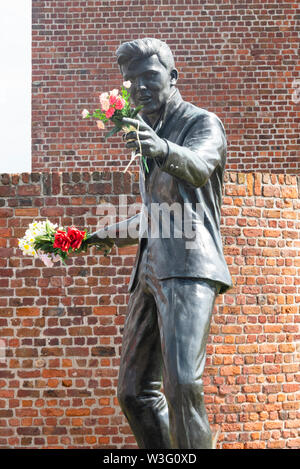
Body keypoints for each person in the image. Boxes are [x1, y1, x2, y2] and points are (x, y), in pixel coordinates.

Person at [87, 38, 232, 449]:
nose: (139, 88)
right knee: (133, 392)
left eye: (149, 76)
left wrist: (162, 148)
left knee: (183, 383)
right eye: (131, 81)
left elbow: (201, 166)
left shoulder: (202, 123)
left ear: (173, 77)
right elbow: (154, 216)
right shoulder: (147, 132)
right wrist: (89, 237)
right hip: (150, 269)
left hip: (189, 264)